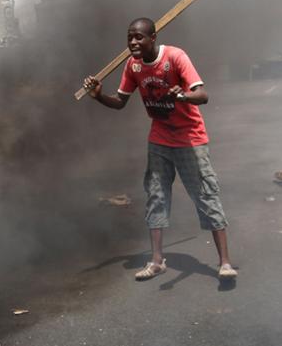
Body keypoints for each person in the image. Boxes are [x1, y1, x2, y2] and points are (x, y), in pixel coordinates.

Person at [83, 17, 237, 281]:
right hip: (159, 139)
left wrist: (181, 96)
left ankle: (224, 263)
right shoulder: (133, 65)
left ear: (153, 38)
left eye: (139, 37)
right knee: (156, 196)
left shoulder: (175, 57)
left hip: (190, 139)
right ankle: (157, 261)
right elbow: (120, 101)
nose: (133, 42)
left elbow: (203, 95)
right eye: (129, 37)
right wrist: (98, 96)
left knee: (206, 196)